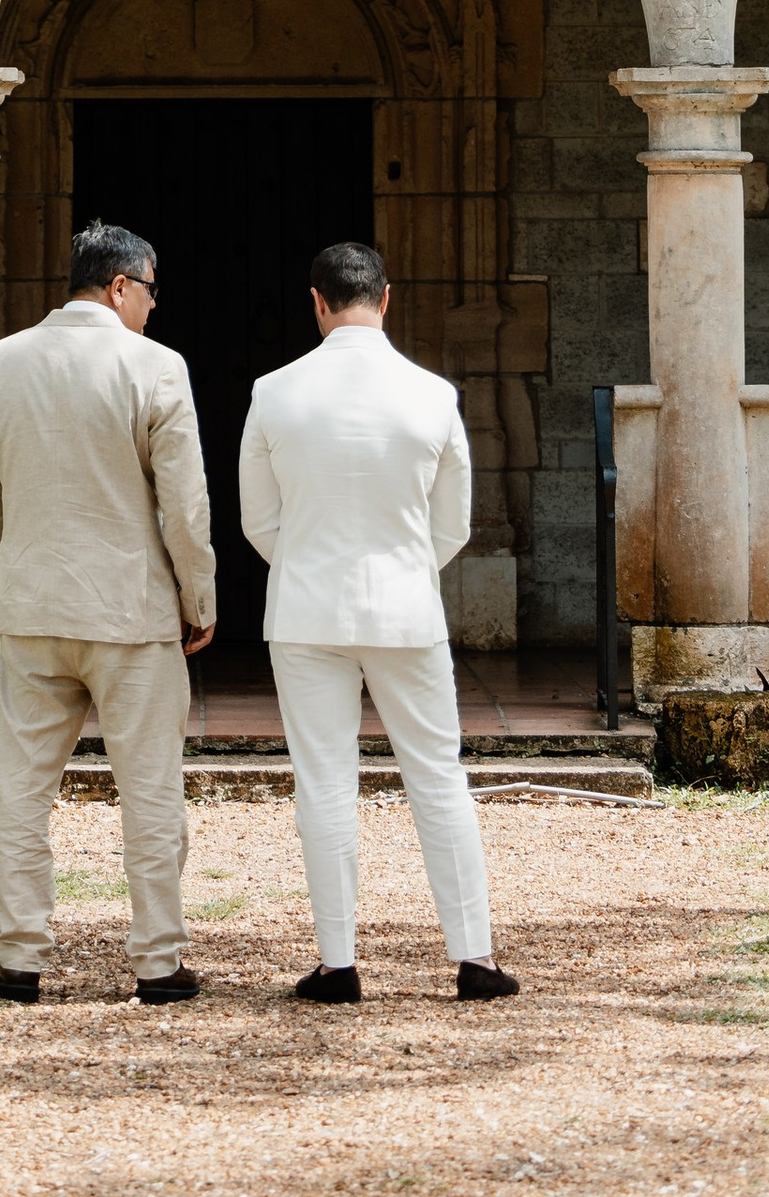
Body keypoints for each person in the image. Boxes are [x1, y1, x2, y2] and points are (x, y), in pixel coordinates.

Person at [239, 236, 519, 1005]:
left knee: (324, 783)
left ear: (317, 302)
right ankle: (474, 957)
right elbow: (453, 523)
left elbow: (258, 520)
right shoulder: (434, 394)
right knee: (438, 777)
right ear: (387, 298)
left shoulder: (273, 390)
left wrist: (306, 563)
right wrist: (404, 565)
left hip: (304, 607)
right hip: (405, 603)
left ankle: (338, 964)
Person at [0, 216, 216, 1007]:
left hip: (32, 606)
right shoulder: (156, 365)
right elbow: (184, 504)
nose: (151, 307)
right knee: (149, 793)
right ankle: (159, 963)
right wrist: (197, 596)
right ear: (119, 285)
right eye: (148, 292)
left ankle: (19, 958)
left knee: (25, 795)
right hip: (131, 612)